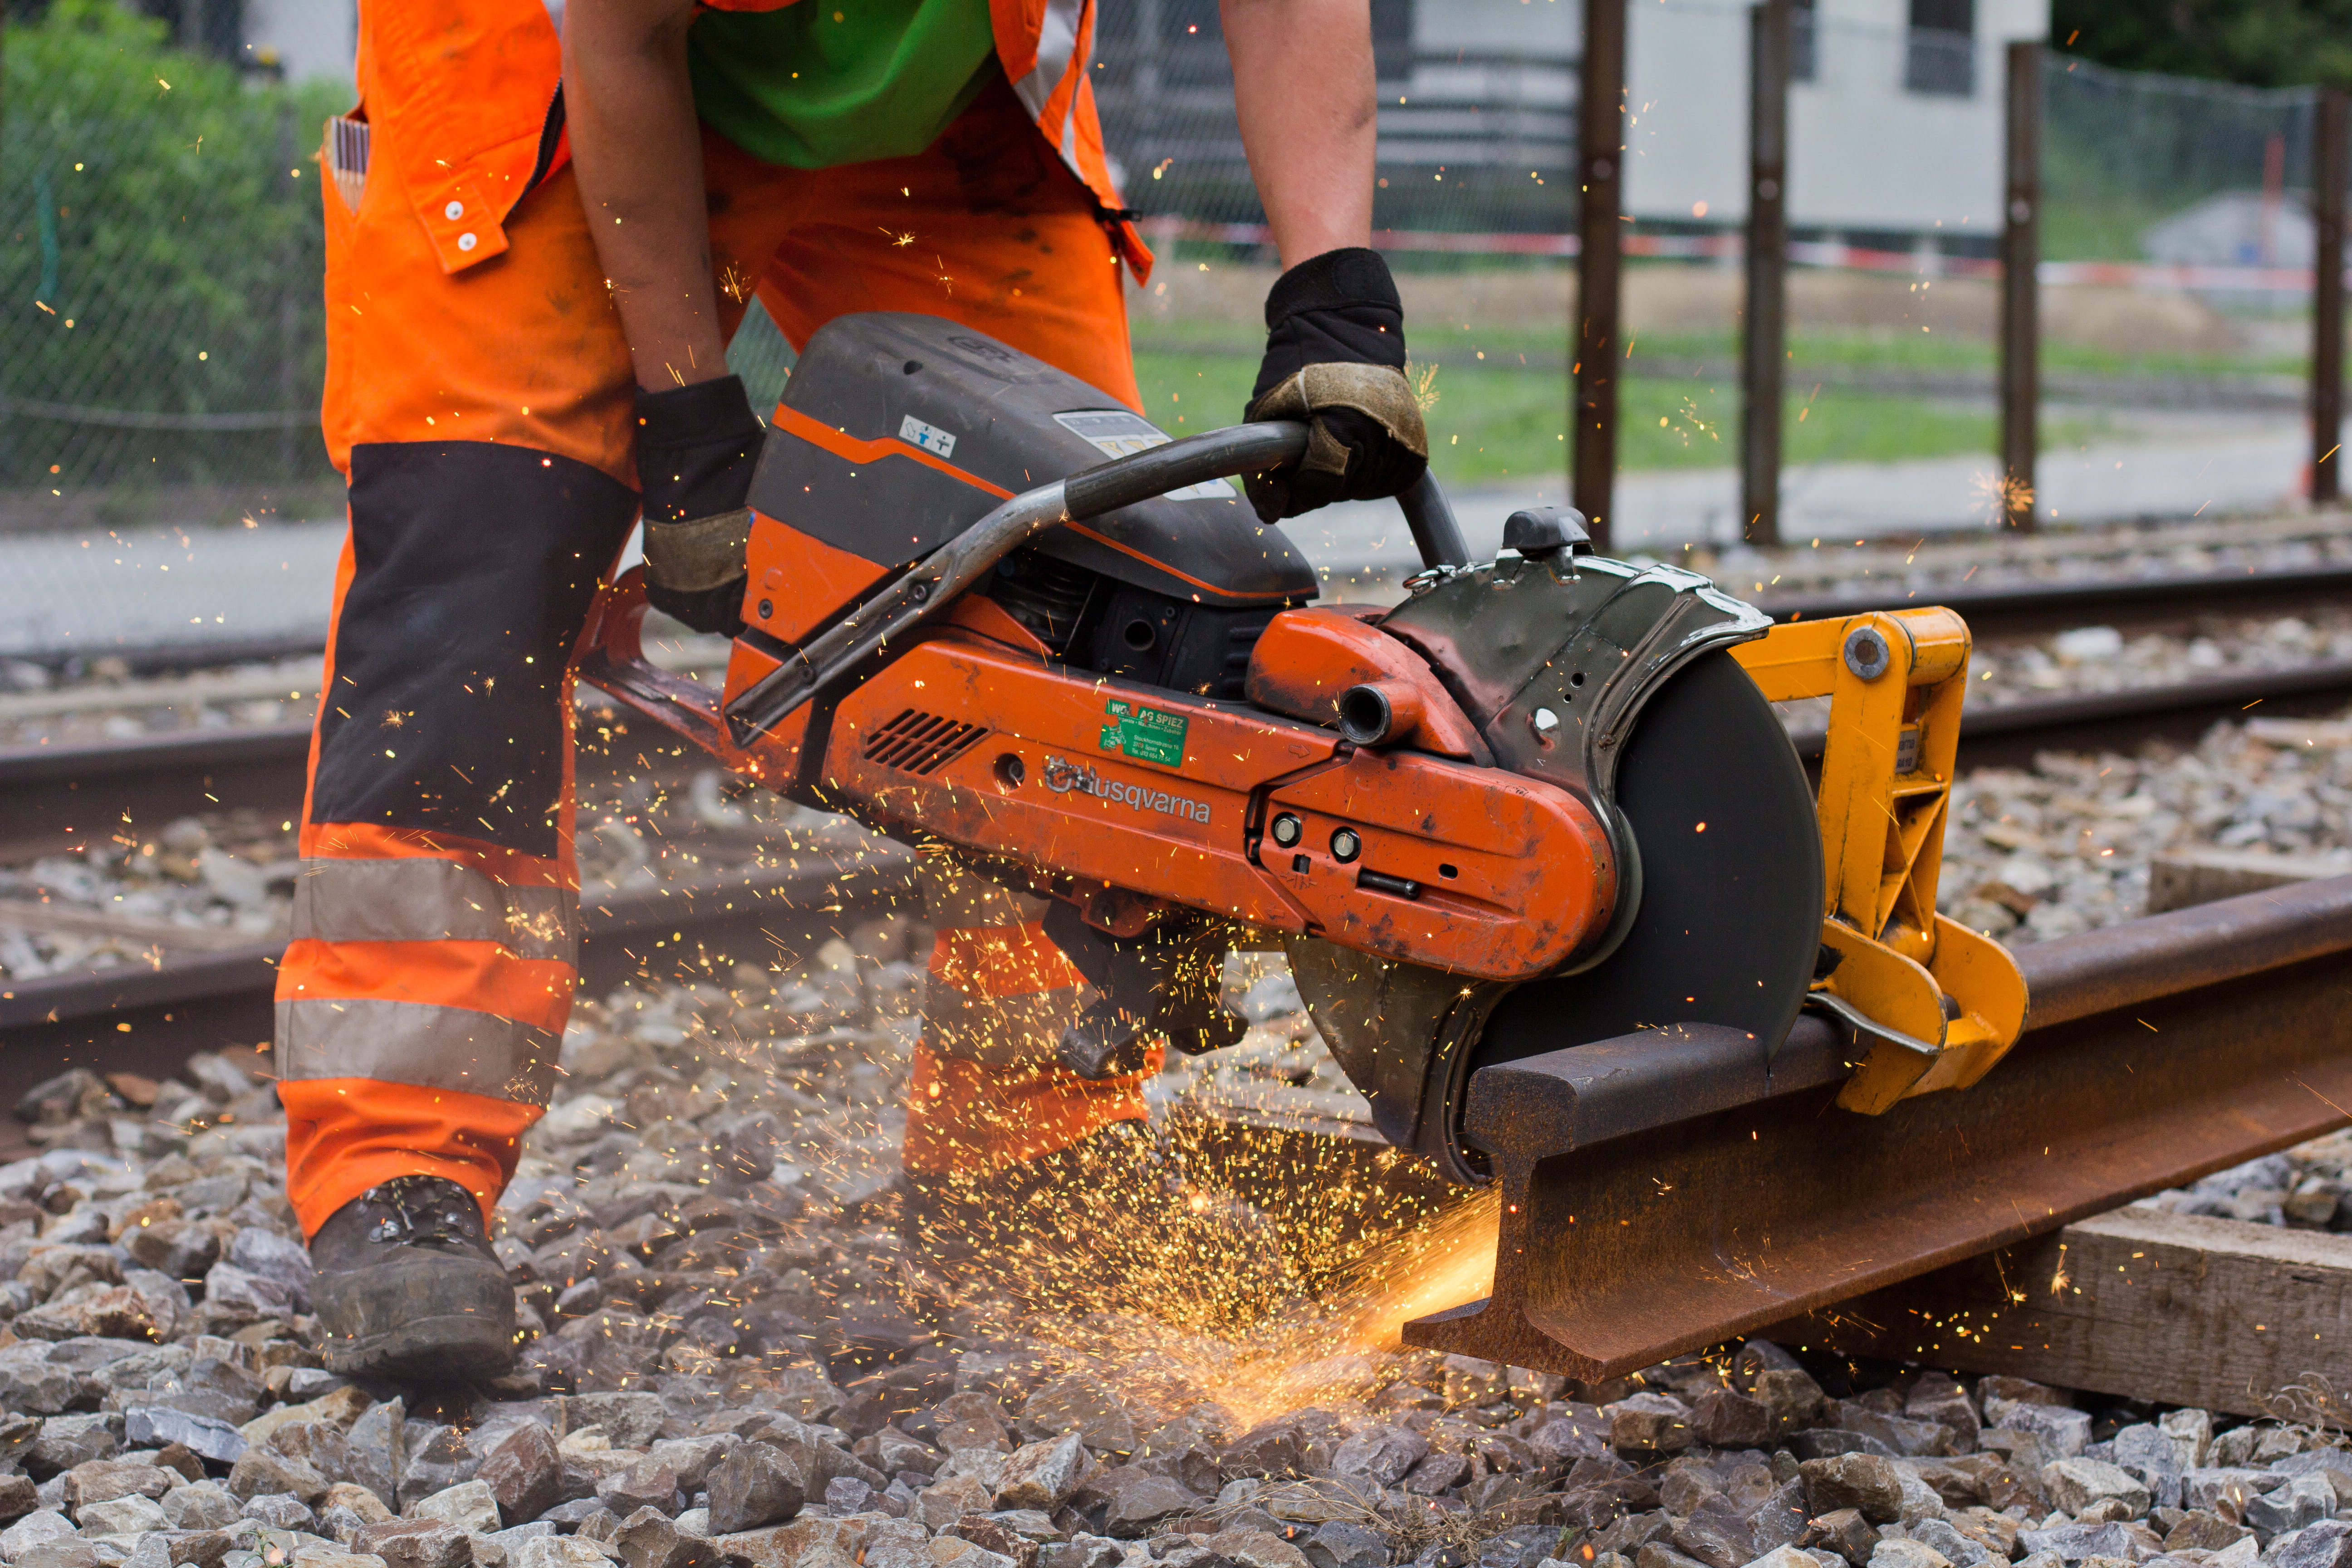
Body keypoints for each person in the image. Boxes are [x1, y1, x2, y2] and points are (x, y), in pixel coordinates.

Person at [286, 0, 1427, 1379]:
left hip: (947, 120)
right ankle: (398, 1167)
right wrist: (687, 416)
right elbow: (622, 41)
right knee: (478, 579)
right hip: (537, 84)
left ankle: (1027, 1151)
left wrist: (1333, 286)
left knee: (1089, 589)